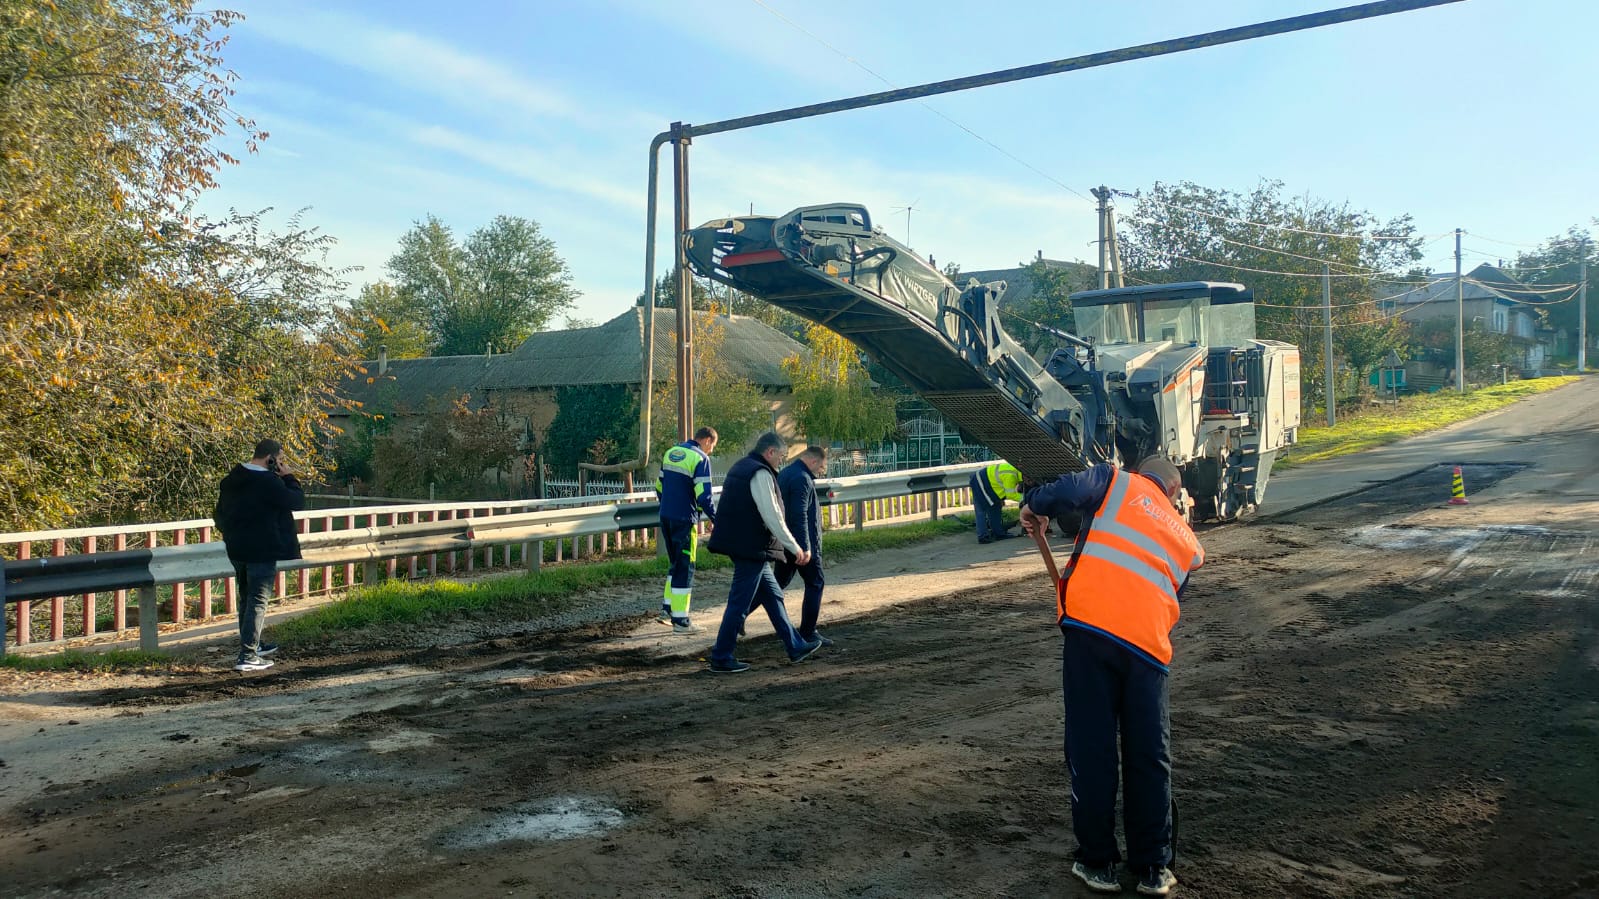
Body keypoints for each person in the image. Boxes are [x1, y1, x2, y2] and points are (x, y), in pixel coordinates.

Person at [1019, 455, 1203, 898]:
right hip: (1148, 652)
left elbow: (1061, 491)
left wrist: (1032, 506)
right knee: (1149, 757)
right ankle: (1154, 868)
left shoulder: (1115, 482)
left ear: (1143, 474)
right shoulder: (1186, 539)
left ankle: (1097, 862)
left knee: (1093, 750)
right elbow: (1168, 591)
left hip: (1091, 635)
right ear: (1174, 493)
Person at [705, 432, 824, 673]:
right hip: (751, 548)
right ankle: (721, 655)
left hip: (743, 544)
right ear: (770, 452)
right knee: (739, 603)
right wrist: (795, 547)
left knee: (773, 597)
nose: (781, 460)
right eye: (780, 456)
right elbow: (773, 516)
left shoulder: (742, 466)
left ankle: (796, 646)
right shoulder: (760, 473)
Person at [213, 439, 305, 672]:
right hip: (262, 549)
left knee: (246, 596)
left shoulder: (231, 480)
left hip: (237, 548)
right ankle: (248, 655)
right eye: (280, 460)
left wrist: (230, 535)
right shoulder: (269, 482)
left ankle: (253, 644)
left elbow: (218, 515)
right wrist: (289, 477)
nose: (281, 464)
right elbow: (296, 501)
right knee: (257, 600)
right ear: (270, 459)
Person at [654, 426, 718, 633]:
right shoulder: (701, 459)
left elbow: (659, 486)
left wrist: (668, 506)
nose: (711, 451)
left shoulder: (671, 452)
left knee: (675, 563)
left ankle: (668, 610)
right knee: (685, 565)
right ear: (707, 440)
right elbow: (703, 496)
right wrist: (716, 518)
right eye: (713, 446)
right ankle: (681, 620)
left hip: (666, 516)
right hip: (684, 520)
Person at [773, 445, 830, 646]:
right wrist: (805, 547)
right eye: (822, 467)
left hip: (785, 541)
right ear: (813, 461)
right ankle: (808, 631)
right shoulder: (802, 479)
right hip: (801, 546)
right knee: (816, 583)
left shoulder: (786, 473)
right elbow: (800, 516)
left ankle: (739, 618)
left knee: (774, 586)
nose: (821, 472)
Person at [970, 460, 1022, 543]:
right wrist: (1026, 498)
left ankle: (998, 533)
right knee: (982, 508)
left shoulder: (1015, 470)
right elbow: (1010, 495)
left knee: (995, 506)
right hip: (980, 480)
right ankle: (983, 536)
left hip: (987, 481)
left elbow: (1000, 485)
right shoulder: (1011, 475)